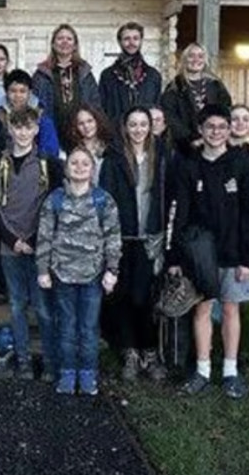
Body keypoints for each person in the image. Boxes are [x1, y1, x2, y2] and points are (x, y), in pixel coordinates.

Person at [169, 104, 249, 399]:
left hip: (234, 252)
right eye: (210, 127)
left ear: (229, 129)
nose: (216, 132)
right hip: (200, 253)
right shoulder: (188, 165)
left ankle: (231, 371)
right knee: (203, 308)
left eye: (222, 127)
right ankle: (203, 369)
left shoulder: (243, 163)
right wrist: (175, 257)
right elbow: (179, 213)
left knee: (232, 309)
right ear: (201, 129)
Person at [37, 147, 121, 396]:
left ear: (93, 169)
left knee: (88, 327)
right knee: (66, 326)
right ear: (66, 168)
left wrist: (112, 270)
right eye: (74, 163)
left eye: (86, 163)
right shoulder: (55, 199)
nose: (80, 167)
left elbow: (113, 237)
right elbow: (44, 236)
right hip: (62, 275)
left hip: (93, 276)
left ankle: (87, 374)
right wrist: (43, 269)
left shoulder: (102, 200)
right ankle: (67, 372)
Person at [98, 106, 168, 382]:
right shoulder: (114, 158)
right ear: (125, 127)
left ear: (150, 127)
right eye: (133, 125)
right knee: (122, 297)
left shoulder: (161, 156)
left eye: (143, 124)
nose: (138, 130)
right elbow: (105, 198)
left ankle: (150, 351)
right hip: (122, 237)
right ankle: (129, 352)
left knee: (145, 298)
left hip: (150, 238)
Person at [0, 107, 63, 381]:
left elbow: (55, 206)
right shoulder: (0, 163)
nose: (22, 133)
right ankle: (22, 360)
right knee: (16, 306)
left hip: (40, 246)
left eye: (28, 127)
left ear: (36, 129)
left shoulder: (49, 163)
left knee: (43, 307)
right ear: (10, 129)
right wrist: (12, 240)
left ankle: (49, 361)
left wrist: (35, 240)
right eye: (17, 127)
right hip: (8, 246)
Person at [32, 24, 101, 150]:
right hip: (51, 134)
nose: (64, 42)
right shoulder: (42, 73)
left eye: (69, 39)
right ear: (53, 44)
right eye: (60, 38)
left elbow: (95, 104)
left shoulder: (85, 72)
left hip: (80, 134)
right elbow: (34, 105)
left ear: (75, 45)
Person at [160, 42, 232, 155]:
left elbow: (225, 111)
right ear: (184, 59)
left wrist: (212, 136)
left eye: (200, 56)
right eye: (191, 56)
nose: (196, 59)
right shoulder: (175, 87)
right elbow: (170, 117)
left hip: (214, 144)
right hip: (184, 147)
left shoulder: (216, 85)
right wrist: (191, 139)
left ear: (205, 60)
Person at [99, 22, 163, 124]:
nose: (131, 42)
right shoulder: (108, 76)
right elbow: (103, 109)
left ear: (141, 41)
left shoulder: (153, 76)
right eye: (126, 39)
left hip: (144, 134)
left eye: (135, 38)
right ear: (120, 42)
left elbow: (157, 108)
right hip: (116, 133)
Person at [0, 69, 60, 158]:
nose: (18, 96)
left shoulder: (42, 118)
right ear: (6, 92)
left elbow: (50, 152)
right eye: (13, 91)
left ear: (30, 92)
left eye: (22, 91)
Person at [65, 104, 115, 182]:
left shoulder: (111, 148)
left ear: (97, 121)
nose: (86, 126)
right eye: (81, 123)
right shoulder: (71, 151)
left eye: (90, 121)